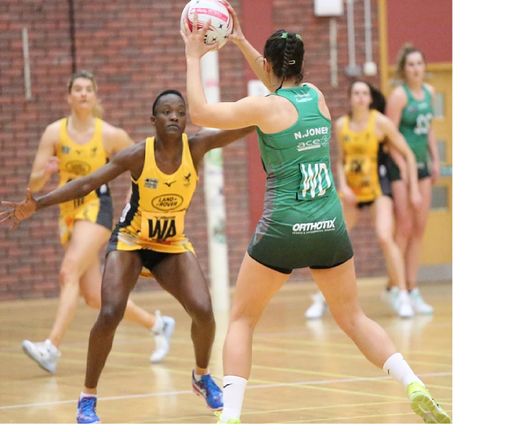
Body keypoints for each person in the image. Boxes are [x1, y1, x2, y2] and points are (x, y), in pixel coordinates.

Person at [181, 6, 451, 424]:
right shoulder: (319, 98)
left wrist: (194, 55)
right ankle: (413, 382)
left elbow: (198, 114)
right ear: (301, 65)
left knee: (242, 318)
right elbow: (276, 74)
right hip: (329, 226)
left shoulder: (264, 108)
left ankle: (230, 417)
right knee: (353, 317)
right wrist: (237, 38)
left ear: (269, 67)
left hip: (284, 227)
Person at [1, 89, 257, 423]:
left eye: (180, 111)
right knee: (109, 312)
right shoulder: (138, 155)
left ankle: (201, 375)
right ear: (153, 121)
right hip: (130, 241)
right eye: (166, 112)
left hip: (170, 244)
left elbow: (239, 128)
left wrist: (269, 112)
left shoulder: (197, 147)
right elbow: (88, 182)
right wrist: (38, 204)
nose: (174, 117)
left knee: (204, 312)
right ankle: (87, 397)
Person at [19, 70, 174, 374]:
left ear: (94, 96)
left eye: (88, 89)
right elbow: (34, 185)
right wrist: (47, 173)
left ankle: (51, 348)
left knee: (68, 271)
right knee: (93, 296)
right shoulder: (54, 133)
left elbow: (142, 161)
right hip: (69, 214)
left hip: (97, 208)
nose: (83, 93)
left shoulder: (109, 134)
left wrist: (136, 201)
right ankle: (158, 325)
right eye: (77, 89)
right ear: (69, 96)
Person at [304, 80, 422, 319]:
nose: (360, 97)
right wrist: (343, 186)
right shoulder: (341, 125)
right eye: (355, 93)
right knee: (335, 240)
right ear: (350, 98)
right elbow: (339, 159)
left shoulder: (380, 122)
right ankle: (322, 296)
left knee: (384, 236)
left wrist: (414, 189)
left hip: (379, 189)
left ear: (370, 98)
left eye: (364, 93)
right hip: (352, 192)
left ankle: (401, 294)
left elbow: (407, 153)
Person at [384, 44, 440, 315]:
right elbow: (389, 138)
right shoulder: (398, 96)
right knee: (404, 227)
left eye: (420, 64)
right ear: (404, 69)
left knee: (419, 227)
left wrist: (435, 160)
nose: (416, 69)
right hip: (400, 167)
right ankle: (399, 289)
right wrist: (406, 173)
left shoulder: (429, 93)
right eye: (411, 65)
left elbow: (428, 129)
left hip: (423, 166)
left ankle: (413, 288)